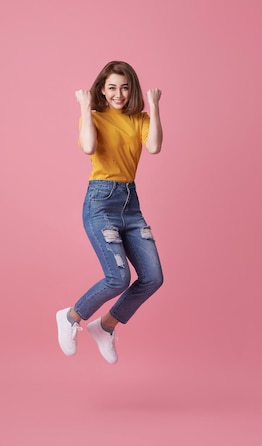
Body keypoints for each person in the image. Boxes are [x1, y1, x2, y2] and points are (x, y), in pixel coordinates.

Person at [55, 61, 164, 364]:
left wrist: (154, 106)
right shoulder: (94, 117)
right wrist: (84, 107)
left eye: (125, 87)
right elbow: (89, 147)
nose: (119, 94)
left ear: (132, 90)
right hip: (101, 202)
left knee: (153, 277)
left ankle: (106, 326)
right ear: (102, 89)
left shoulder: (139, 119)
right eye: (112, 87)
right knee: (117, 278)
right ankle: (70, 317)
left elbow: (154, 146)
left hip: (130, 203)